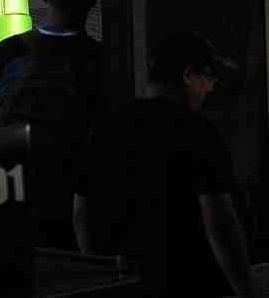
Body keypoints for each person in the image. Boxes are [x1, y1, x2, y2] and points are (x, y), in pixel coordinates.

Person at [73, 31, 254, 297]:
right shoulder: (198, 133)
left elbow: (81, 213)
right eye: (209, 78)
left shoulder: (107, 126)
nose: (211, 88)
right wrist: (245, 290)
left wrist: (102, 273)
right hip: (187, 281)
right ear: (188, 75)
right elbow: (219, 223)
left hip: (126, 281)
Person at [0, 0, 101, 248]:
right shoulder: (102, 60)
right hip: (73, 199)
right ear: (93, 0)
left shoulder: (11, 51)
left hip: (13, 190)